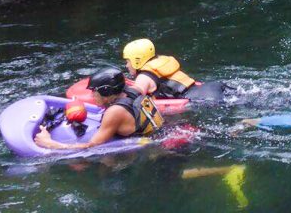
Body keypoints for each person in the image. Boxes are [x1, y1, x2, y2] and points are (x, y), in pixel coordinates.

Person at [34, 67, 163, 151]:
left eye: (94, 91)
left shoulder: (114, 112)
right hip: (161, 134)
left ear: (105, 91)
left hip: (151, 149)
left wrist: (49, 143)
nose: (91, 95)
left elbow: (91, 147)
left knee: (93, 166)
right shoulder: (135, 90)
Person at [123, 39, 197, 99]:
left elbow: (135, 94)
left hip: (191, 100)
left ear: (137, 60)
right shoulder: (161, 61)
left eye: (127, 61)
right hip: (196, 91)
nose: (126, 65)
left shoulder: (144, 77)